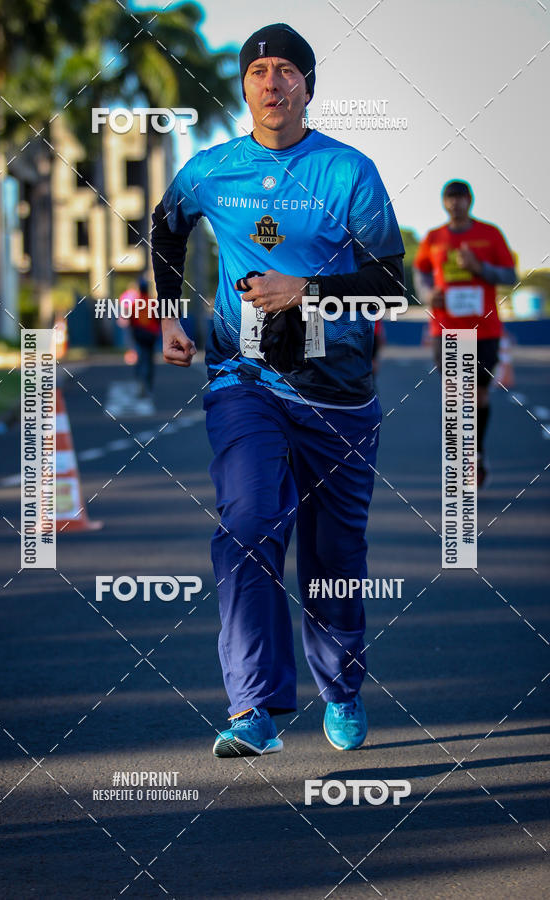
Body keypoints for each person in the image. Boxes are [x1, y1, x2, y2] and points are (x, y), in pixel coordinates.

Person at [151, 23, 405, 757]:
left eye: (286, 70)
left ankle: (342, 687)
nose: (272, 82)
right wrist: (170, 314)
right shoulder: (211, 170)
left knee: (333, 556)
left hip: (339, 399)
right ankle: (253, 709)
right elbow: (165, 230)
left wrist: (309, 289)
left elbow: (392, 284)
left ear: (307, 86)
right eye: (258, 69)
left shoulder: (347, 171)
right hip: (246, 384)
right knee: (247, 527)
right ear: (243, 85)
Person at [413, 181, 517, 486]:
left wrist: (479, 268)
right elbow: (420, 272)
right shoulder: (434, 238)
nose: (455, 204)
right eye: (450, 198)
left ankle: (477, 452)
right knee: (456, 394)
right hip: (446, 328)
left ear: (470, 200)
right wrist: (428, 293)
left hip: (484, 328)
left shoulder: (490, 234)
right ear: (444, 203)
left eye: (460, 198)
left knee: (479, 394)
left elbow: (510, 275)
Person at [119, 276, 160, 410]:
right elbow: (158, 319)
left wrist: (132, 336)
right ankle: (148, 384)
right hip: (151, 336)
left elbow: (131, 322)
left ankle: (142, 382)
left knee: (142, 358)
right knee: (149, 360)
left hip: (140, 336)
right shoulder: (152, 303)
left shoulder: (135, 304)